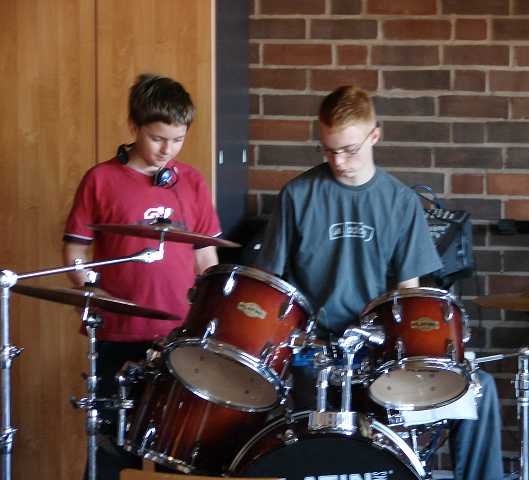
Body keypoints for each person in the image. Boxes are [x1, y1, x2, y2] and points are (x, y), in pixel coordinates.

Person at [255, 85, 504, 480]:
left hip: (379, 353)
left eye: (348, 149)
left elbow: (408, 294)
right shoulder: (297, 195)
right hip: (316, 352)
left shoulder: (400, 202)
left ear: (374, 135)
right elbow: (272, 288)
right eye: (328, 150)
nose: (338, 161)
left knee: (480, 390)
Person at [62, 73, 221, 479]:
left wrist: (210, 318)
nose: (167, 150)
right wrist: (90, 290)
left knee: (178, 450)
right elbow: (75, 252)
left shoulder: (192, 182)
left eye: (178, 140)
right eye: (157, 138)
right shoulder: (100, 180)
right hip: (118, 333)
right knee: (111, 450)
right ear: (134, 126)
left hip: (178, 337)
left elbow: (206, 257)